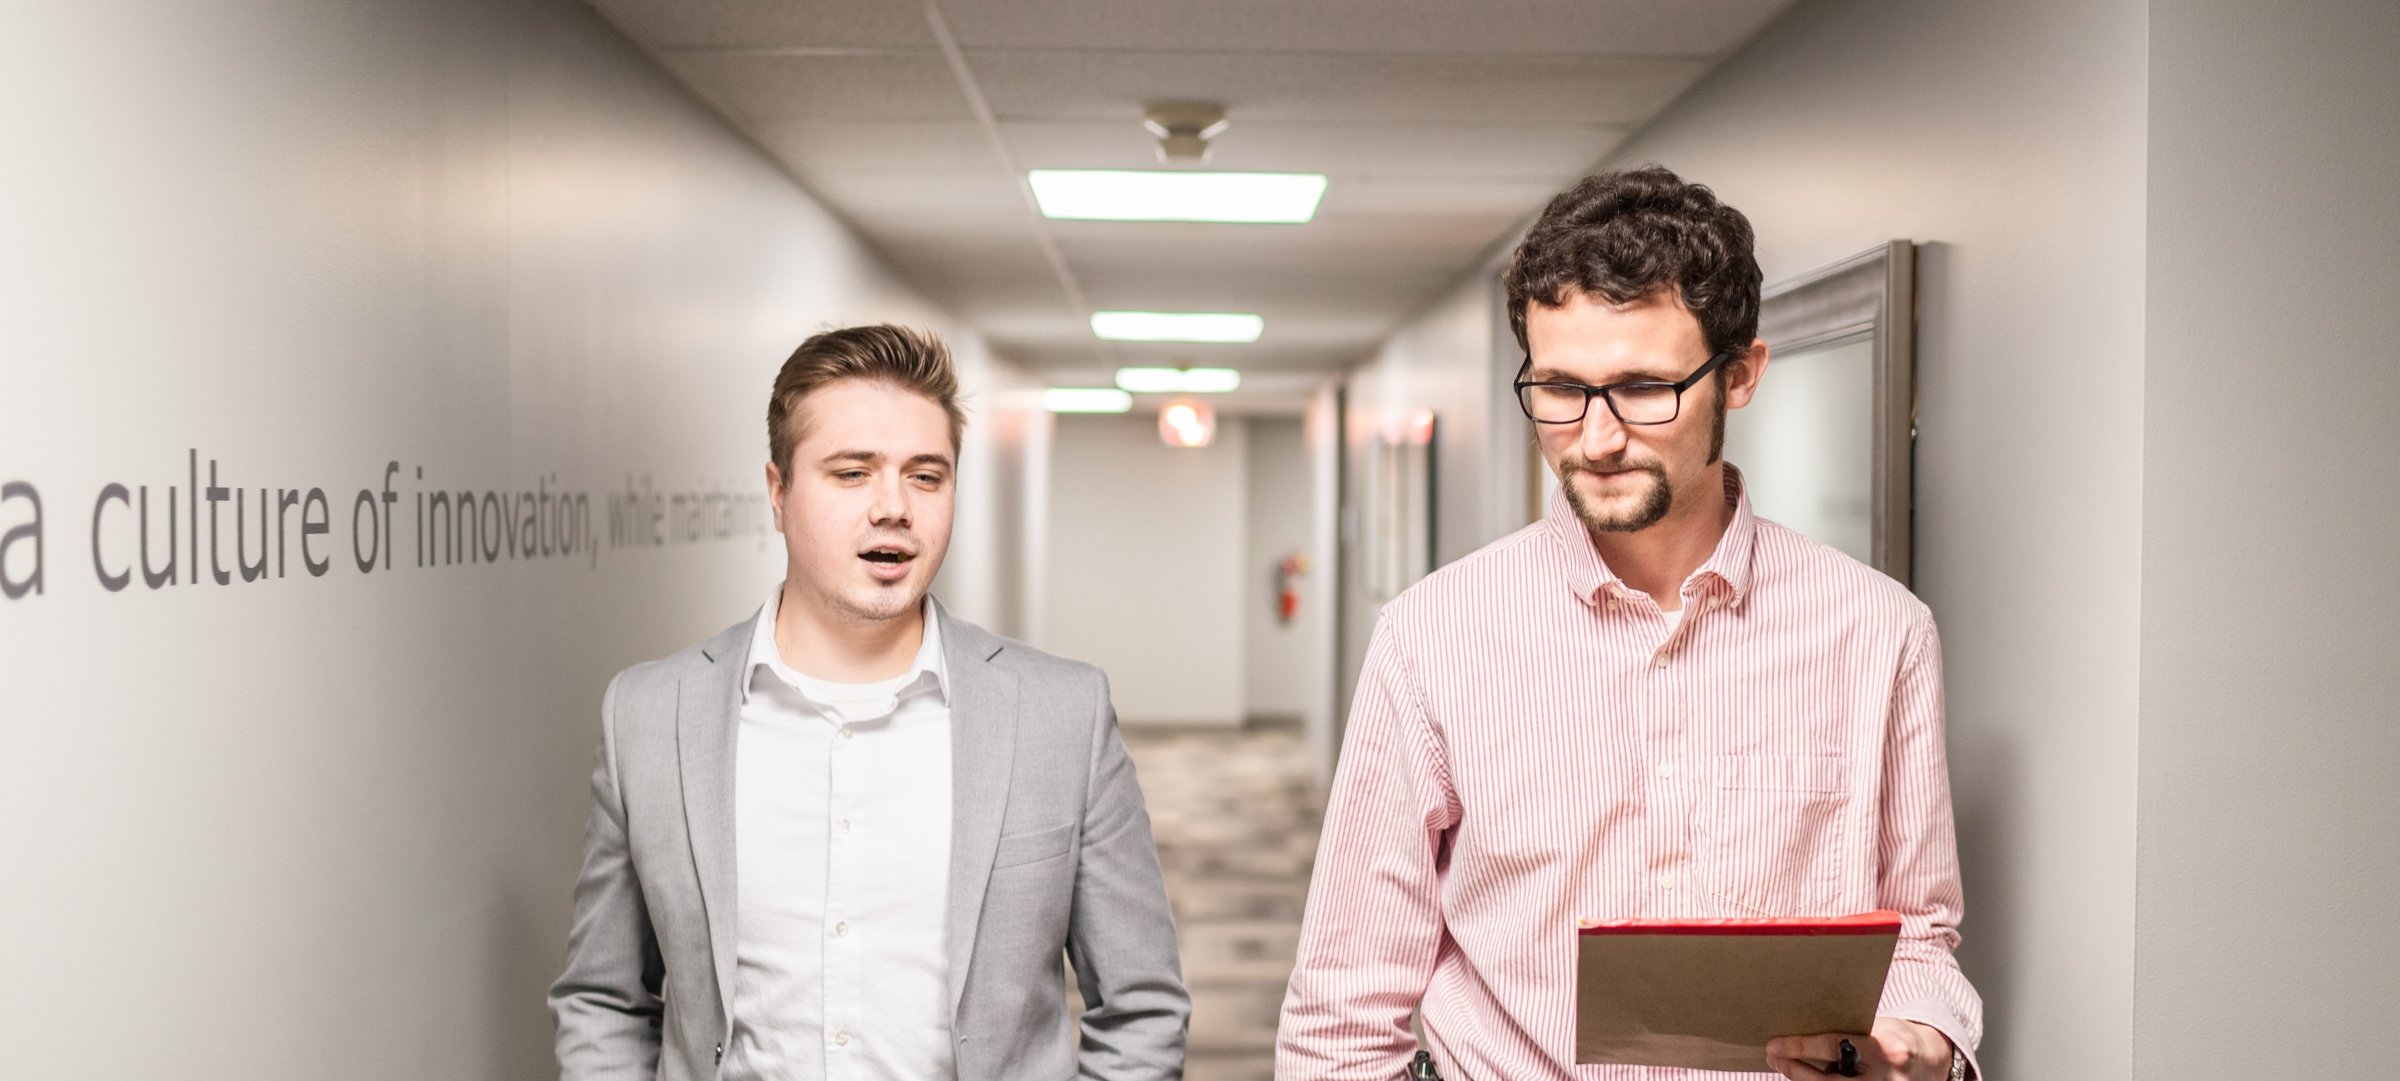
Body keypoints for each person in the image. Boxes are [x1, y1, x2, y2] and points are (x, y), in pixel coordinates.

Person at [1275, 167, 1981, 1081]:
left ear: (1741, 374)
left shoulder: (1878, 632)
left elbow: (1920, 938)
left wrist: (1916, 1047)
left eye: (1645, 388)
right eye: (1562, 388)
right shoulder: (1433, 637)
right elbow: (1342, 1009)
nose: (1597, 438)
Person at [550, 324, 1189, 1081]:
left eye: (926, 476)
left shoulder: (1062, 715)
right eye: (852, 472)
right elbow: (604, 998)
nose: (894, 506)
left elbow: (1143, 1008)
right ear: (778, 492)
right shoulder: (650, 718)